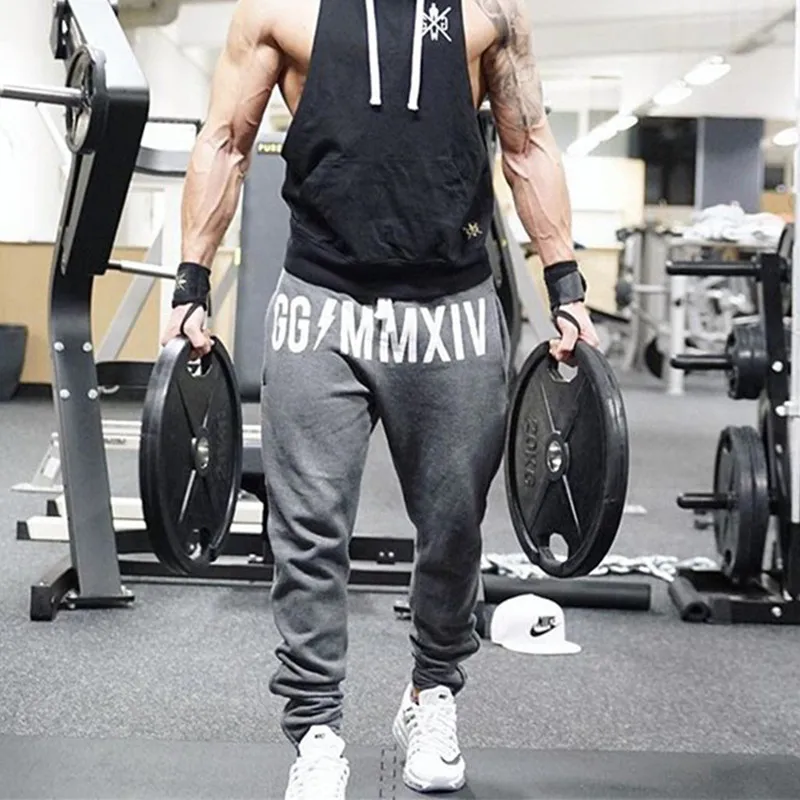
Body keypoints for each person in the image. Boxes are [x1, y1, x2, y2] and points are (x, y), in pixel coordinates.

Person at [162, 0, 600, 797]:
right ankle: (316, 732)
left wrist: (565, 283)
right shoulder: (278, 9)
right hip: (320, 300)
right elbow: (225, 141)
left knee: (453, 526)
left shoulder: (490, 10)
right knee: (306, 529)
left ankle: (431, 694)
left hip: (452, 306)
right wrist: (191, 281)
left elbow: (527, 141)